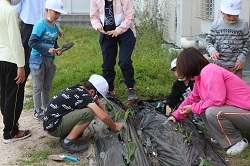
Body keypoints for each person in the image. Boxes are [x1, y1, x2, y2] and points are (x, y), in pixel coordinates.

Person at [168, 47, 250, 156]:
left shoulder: (210, 71)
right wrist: (176, 115)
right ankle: (219, 136)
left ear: (189, 65)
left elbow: (217, 101)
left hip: (246, 111)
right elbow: (192, 98)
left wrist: (192, 108)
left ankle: (236, 142)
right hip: (239, 111)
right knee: (201, 108)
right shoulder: (199, 77)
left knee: (212, 111)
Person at [43, 74, 123, 154]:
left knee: (87, 109)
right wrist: (115, 126)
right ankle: (67, 142)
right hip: (55, 127)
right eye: (99, 97)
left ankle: (66, 134)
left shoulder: (78, 89)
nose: (99, 99)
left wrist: (109, 124)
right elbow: (102, 117)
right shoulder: (84, 96)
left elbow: (98, 104)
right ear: (92, 92)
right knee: (88, 113)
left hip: (52, 123)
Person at [90, 0, 137, 101]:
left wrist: (118, 30)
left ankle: (130, 88)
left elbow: (129, 17)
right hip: (107, 33)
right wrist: (98, 27)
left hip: (125, 32)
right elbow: (94, 17)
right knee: (108, 63)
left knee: (124, 62)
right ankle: (109, 90)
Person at [28, 0, 66, 120]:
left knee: (46, 87)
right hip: (38, 59)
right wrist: (46, 49)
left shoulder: (55, 26)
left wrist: (57, 49)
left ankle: (46, 108)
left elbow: (53, 41)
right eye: (56, 12)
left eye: (59, 13)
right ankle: (37, 111)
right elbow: (32, 42)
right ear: (47, 10)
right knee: (38, 87)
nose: (58, 15)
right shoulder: (40, 24)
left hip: (50, 60)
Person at [0, 0, 31, 144]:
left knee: (4, 94)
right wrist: (21, 65)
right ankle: (10, 132)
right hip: (11, 59)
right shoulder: (10, 11)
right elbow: (15, 40)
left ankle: (9, 125)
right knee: (14, 96)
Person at [205, 0, 250, 78]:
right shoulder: (216, 24)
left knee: (235, 88)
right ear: (222, 12)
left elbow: (247, 43)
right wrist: (212, 50)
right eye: (229, 15)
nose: (232, 18)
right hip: (218, 64)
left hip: (236, 65)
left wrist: (241, 58)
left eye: (235, 15)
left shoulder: (243, 25)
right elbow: (208, 40)